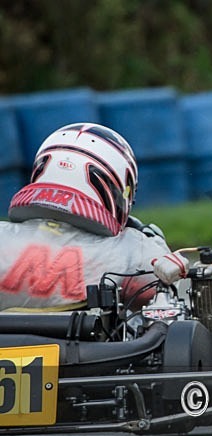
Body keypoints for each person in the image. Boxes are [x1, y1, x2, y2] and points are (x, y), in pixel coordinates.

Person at [0, 122, 188, 312]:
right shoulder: (133, 248)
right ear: (115, 186)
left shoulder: (3, 235)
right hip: (85, 339)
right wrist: (157, 245)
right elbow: (162, 304)